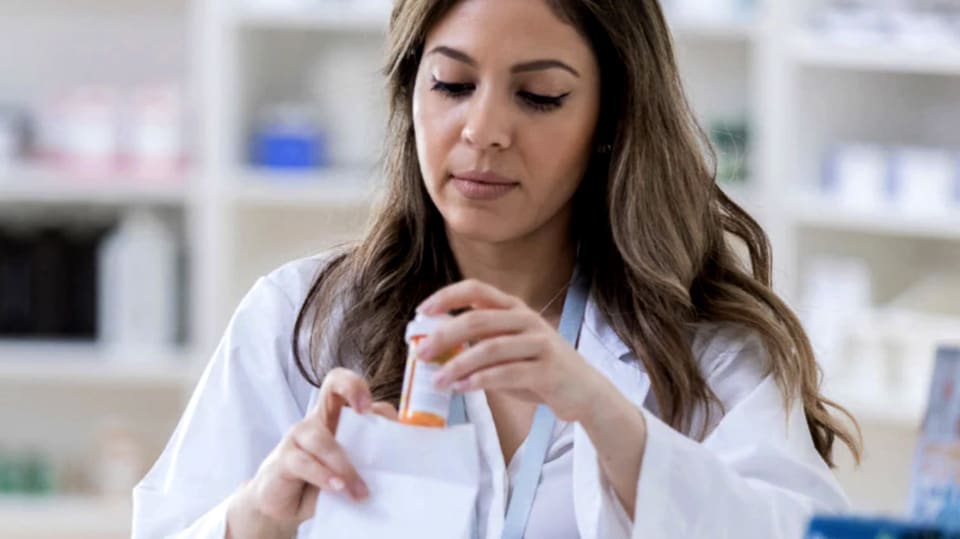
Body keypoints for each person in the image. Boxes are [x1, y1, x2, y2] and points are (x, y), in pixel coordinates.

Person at [132, 0, 863, 537]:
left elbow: (798, 528)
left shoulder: (710, 350)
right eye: (451, 85)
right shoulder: (301, 321)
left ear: (611, 120)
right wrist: (255, 517)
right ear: (409, 93)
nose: (483, 131)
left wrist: (608, 417)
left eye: (539, 96)